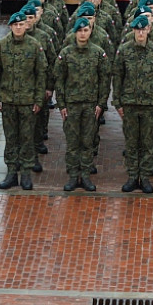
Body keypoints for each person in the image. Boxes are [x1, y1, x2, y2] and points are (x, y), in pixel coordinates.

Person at [112, 14, 153, 194]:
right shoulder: (124, 51)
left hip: (149, 105)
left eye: (143, 29)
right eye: (137, 30)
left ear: (148, 30)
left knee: (147, 143)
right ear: (133, 31)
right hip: (129, 105)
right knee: (131, 143)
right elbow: (117, 78)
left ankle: (144, 177)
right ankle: (132, 176)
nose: (140, 33)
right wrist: (118, 103)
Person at [0, 12, 47, 191]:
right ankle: (11, 173)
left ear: (26, 26)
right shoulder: (2, 45)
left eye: (21, 24)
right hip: (8, 100)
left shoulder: (34, 45)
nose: (18, 27)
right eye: (15, 25)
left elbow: (41, 74)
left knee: (27, 138)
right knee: (11, 137)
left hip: (28, 101)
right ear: (10, 26)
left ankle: (26, 174)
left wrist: (39, 99)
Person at [55, 17, 110, 192]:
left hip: (90, 104)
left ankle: (85, 175)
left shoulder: (98, 53)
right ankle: (73, 175)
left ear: (90, 32)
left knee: (87, 142)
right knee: (72, 142)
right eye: (80, 31)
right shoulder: (66, 53)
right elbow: (59, 81)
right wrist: (61, 104)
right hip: (71, 104)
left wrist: (101, 103)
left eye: (86, 30)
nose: (83, 33)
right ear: (75, 32)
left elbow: (104, 80)